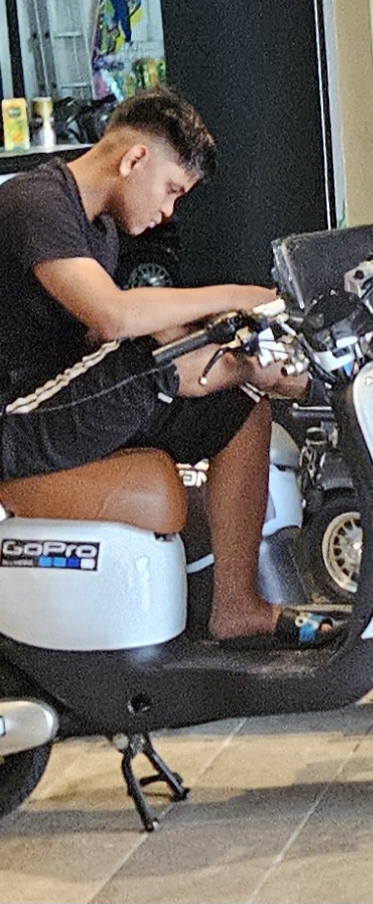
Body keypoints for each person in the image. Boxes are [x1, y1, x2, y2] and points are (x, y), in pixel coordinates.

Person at [0, 89, 327, 648]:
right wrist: (244, 295)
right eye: (172, 190)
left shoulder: (98, 228)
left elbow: (111, 332)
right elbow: (110, 317)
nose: (169, 211)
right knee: (159, 364)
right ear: (134, 161)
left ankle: (237, 607)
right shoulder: (36, 202)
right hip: (15, 419)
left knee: (242, 406)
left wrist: (238, 354)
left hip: (60, 400)